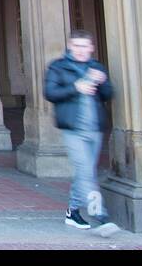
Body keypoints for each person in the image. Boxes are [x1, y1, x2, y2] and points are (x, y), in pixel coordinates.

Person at [45, 30, 115, 230]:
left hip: (94, 128)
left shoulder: (96, 67)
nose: (81, 50)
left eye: (84, 46)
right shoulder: (58, 67)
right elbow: (50, 93)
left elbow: (108, 94)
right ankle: (100, 215)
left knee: (85, 171)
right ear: (69, 46)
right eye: (77, 45)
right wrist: (77, 87)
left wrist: (102, 82)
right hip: (73, 129)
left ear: (91, 47)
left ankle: (73, 211)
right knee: (86, 171)